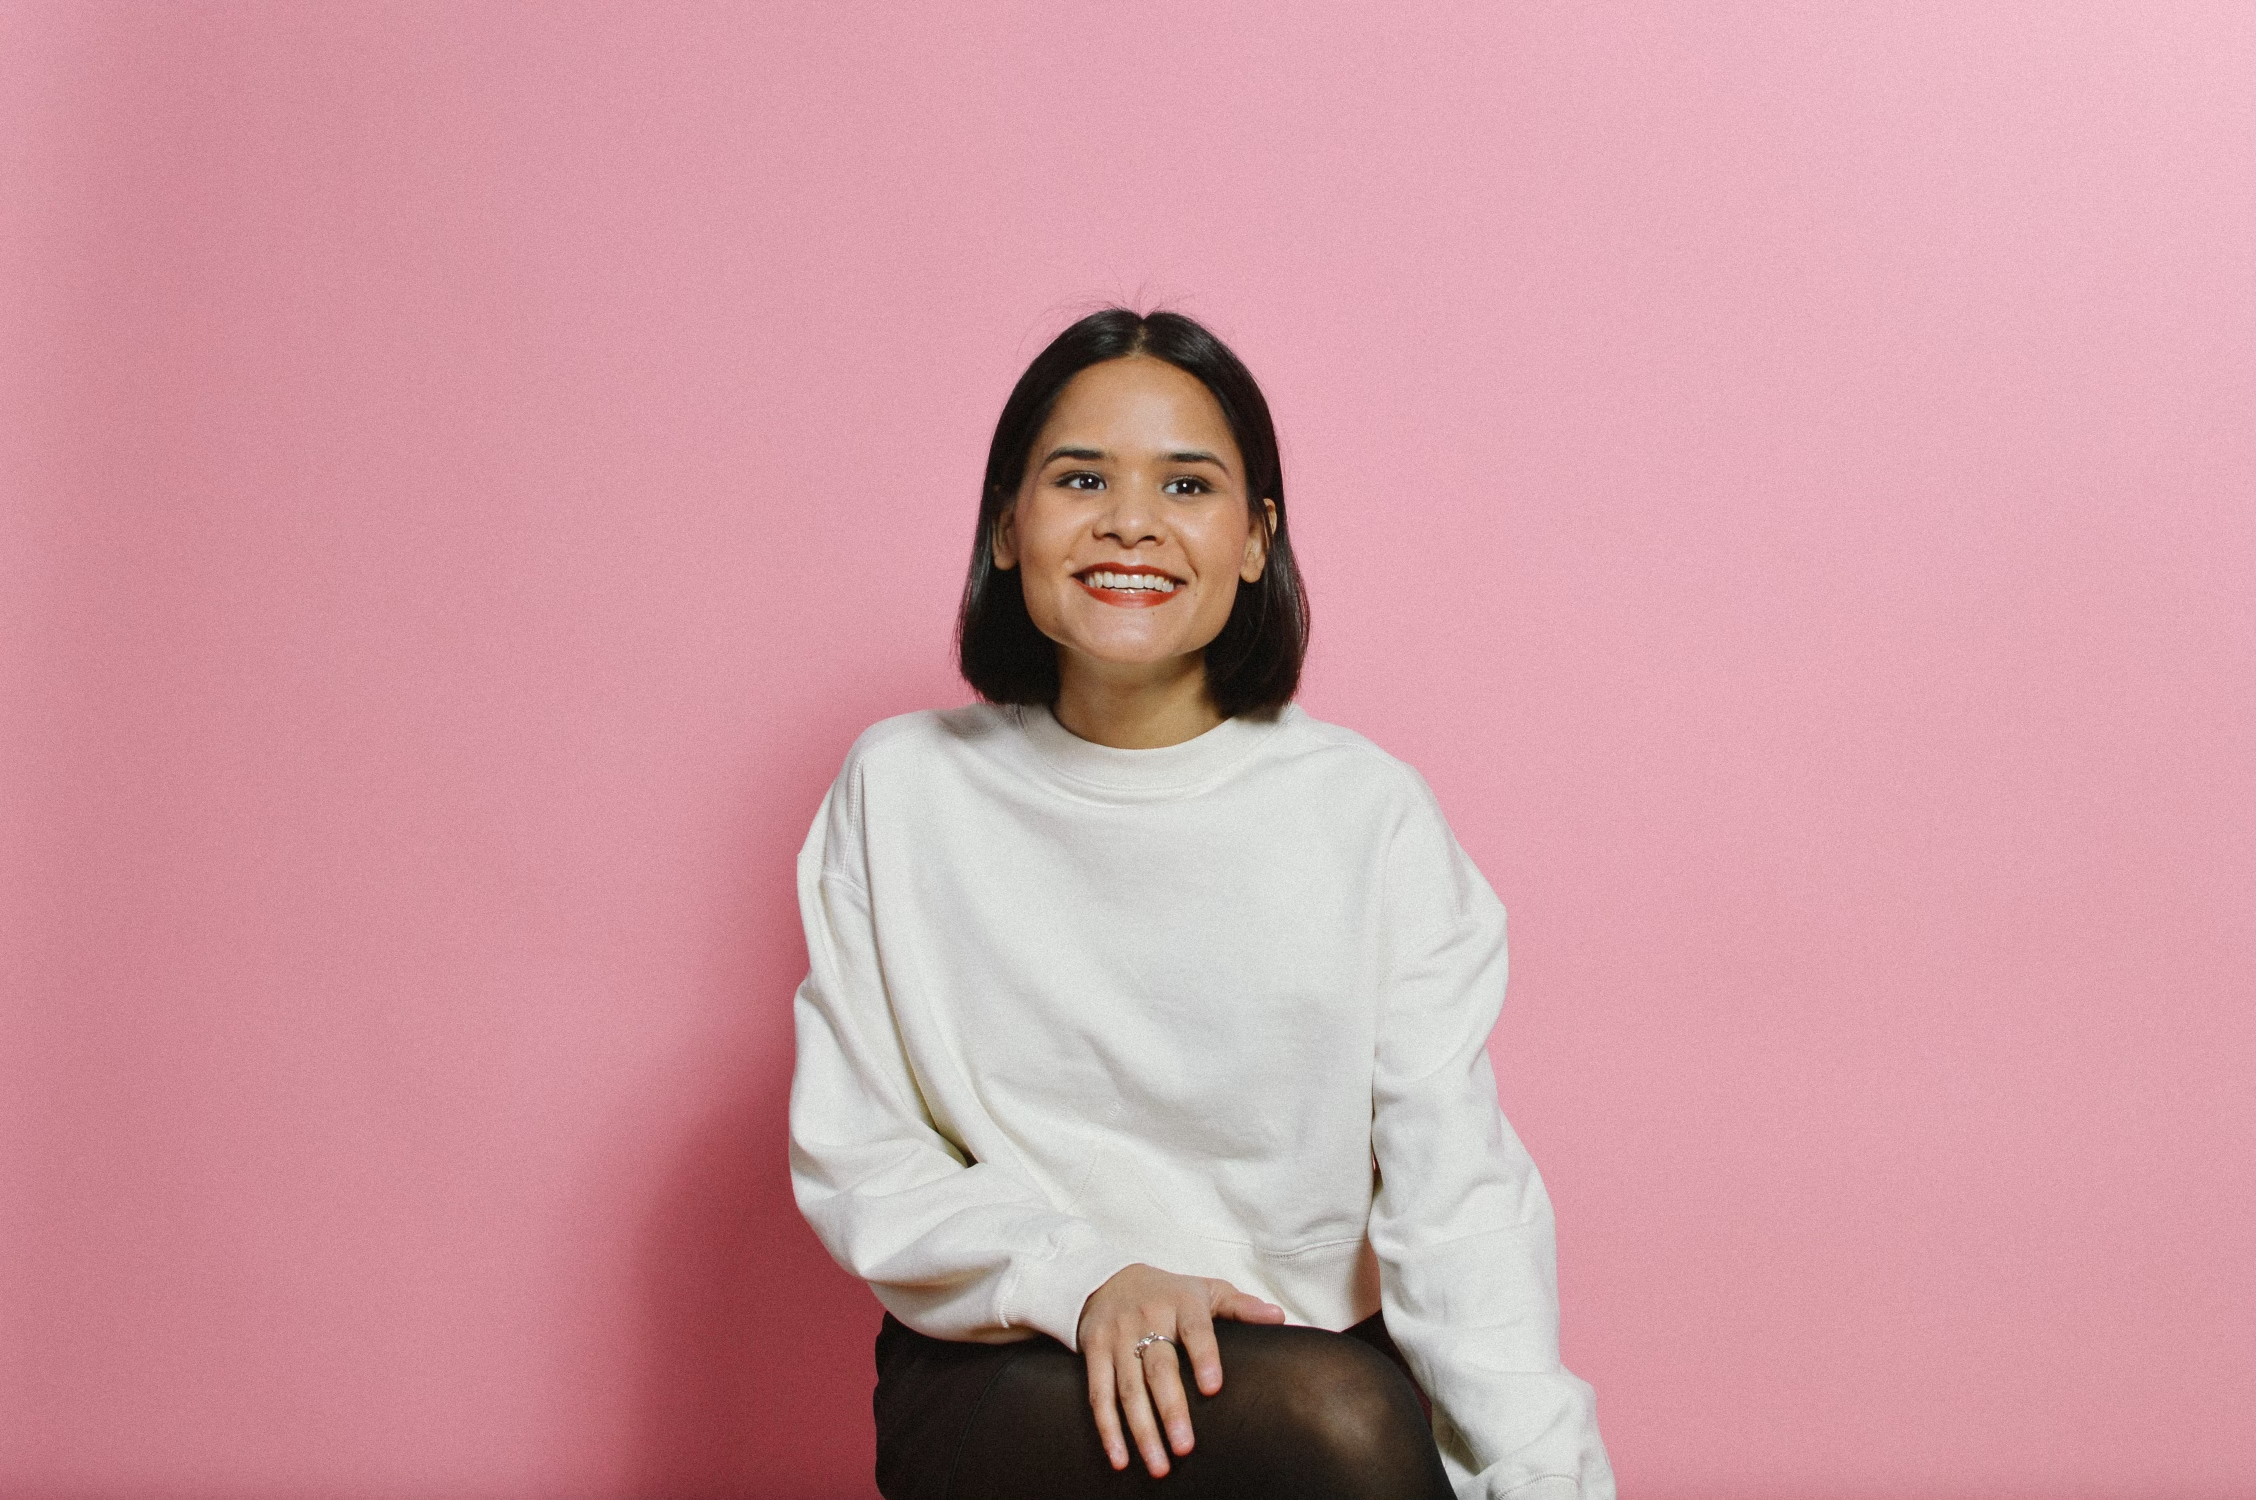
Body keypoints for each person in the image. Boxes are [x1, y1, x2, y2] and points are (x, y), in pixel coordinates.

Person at [788, 308, 1615, 1500]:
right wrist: (1085, 1277)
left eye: (1187, 484)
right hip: (1014, 1353)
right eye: (1081, 479)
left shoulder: (1366, 814)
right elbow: (860, 1154)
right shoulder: (902, 790)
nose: (1132, 522)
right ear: (1009, 526)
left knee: (1386, 1425)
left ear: (1253, 540)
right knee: (1344, 1428)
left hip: (1322, 1352)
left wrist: (1548, 1472)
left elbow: (1455, 1192)